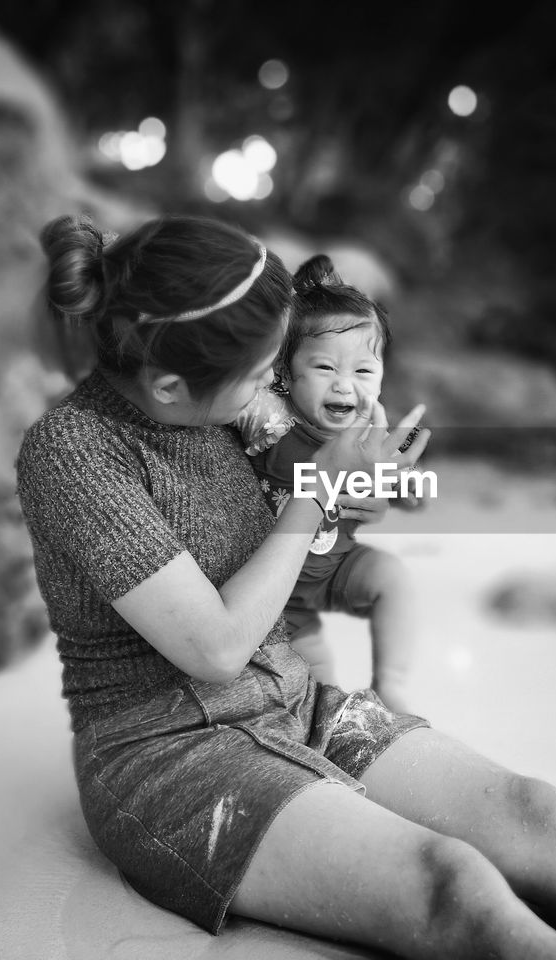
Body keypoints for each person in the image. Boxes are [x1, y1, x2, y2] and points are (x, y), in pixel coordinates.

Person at [16, 212, 556, 959]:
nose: (277, 386)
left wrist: (361, 484)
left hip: (295, 700)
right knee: (452, 888)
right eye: (264, 369)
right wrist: (316, 494)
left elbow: (314, 506)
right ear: (168, 384)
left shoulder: (232, 404)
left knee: (539, 818)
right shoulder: (75, 454)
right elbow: (213, 646)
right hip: (169, 757)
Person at [234, 253, 421, 714]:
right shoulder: (273, 421)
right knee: (316, 685)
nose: (344, 386)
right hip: (277, 591)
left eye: (362, 371)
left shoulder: (370, 435)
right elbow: (231, 393)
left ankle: (391, 685)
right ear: (283, 371)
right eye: (324, 369)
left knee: (392, 578)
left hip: (337, 566)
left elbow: (402, 480)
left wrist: (406, 487)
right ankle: (321, 722)